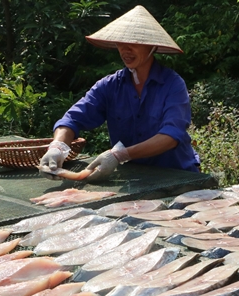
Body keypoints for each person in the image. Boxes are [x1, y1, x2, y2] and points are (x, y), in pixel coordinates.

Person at [39, 5, 199, 182]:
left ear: (152, 47)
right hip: (132, 178)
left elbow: (170, 136)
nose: (125, 50)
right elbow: (72, 119)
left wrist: (120, 155)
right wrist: (58, 147)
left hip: (178, 176)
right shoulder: (109, 86)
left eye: (134, 43)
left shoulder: (172, 84)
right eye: (121, 43)